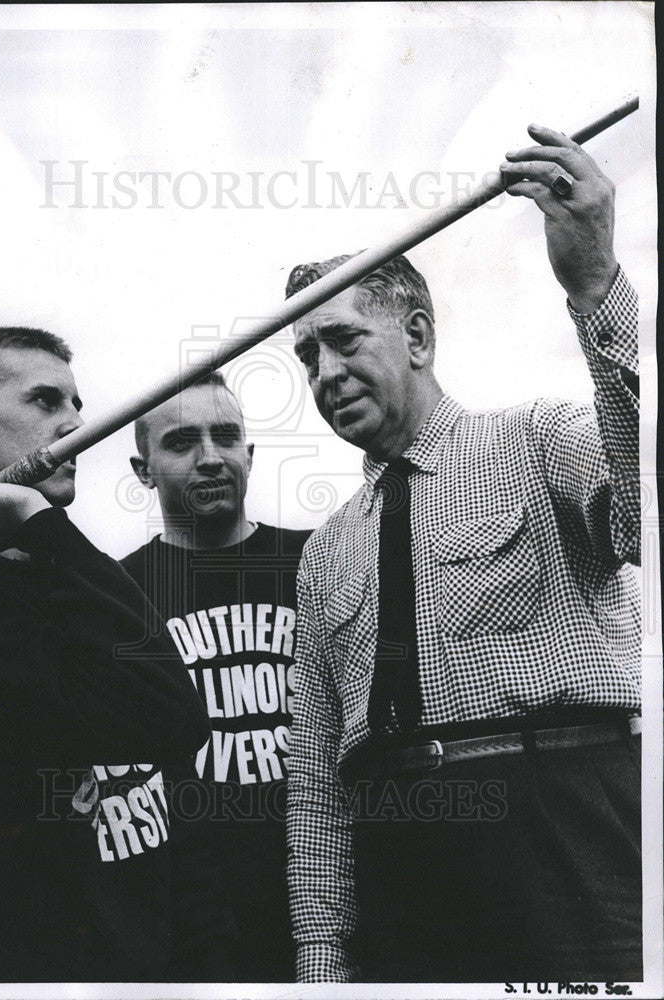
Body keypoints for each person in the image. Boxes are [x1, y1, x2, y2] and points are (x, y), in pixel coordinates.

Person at [285, 125, 642, 982]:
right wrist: (320, 953)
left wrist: (595, 284)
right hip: (403, 866)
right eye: (305, 357)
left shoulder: (540, 437)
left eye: (342, 340)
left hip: (566, 831)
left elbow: (642, 513)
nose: (324, 372)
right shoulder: (326, 550)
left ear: (415, 335)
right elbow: (315, 776)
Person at [0, 327, 233, 983]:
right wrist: (40, 523)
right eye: (45, 401)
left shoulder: (55, 579)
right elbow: (172, 717)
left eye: (76, 403)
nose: (76, 423)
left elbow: (161, 805)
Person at [121, 372, 311, 982]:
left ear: (249, 456)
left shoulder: (320, 558)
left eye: (226, 437)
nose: (209, 458)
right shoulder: (117, 595)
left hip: (321, 884)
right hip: (197, 914)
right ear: (143, 469)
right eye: (180, 443)